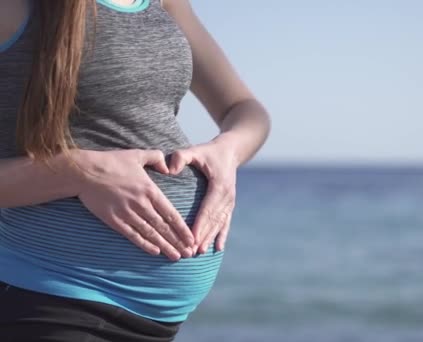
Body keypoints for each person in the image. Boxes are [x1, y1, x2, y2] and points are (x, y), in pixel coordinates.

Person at [0, 0, 271, 340]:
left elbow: (243, 109)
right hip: (54, 304)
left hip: (159, 323)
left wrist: (228, 152)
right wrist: (76, 172)